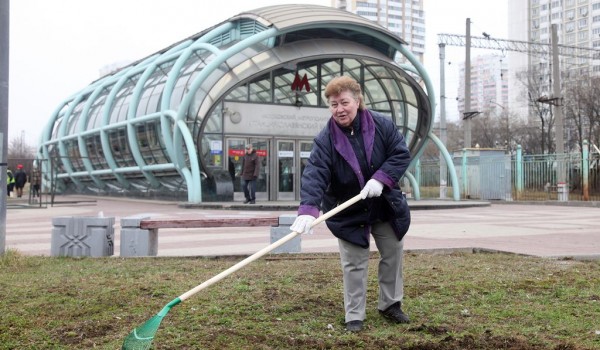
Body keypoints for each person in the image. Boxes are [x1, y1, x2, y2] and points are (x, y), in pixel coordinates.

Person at [290, 76, 412, 332]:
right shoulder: (325, 139)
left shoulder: (382, 125)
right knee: (354, 262)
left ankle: (390, 304)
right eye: (333, 104)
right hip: (347, 208)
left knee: (392, 253)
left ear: (357, 100)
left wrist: (381, 178)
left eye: (344, 102)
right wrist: (308, 210)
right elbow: (315, 173)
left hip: (384, 203)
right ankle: (354, 315)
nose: (339, 109)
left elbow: (400, 154)